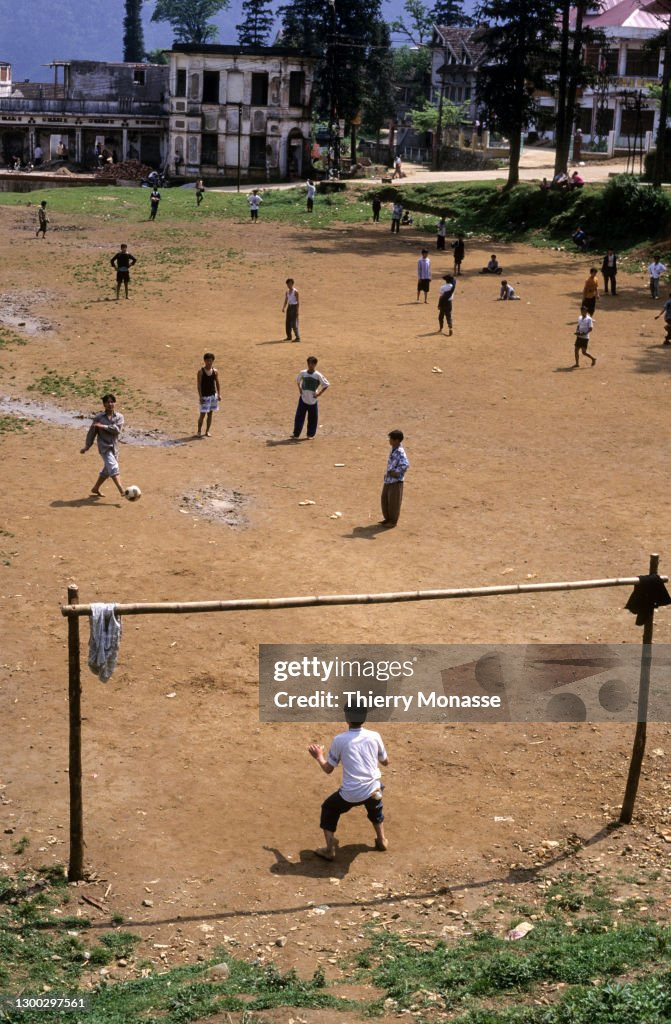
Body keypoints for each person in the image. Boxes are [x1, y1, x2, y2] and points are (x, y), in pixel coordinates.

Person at [308, 704, 389, 861]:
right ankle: (382, 840)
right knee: (375, 805)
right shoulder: (375, 736)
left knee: (329, 808)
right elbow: (385, 762)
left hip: (350, 794)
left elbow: (328, 769)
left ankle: (329, 849)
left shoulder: (340, 740)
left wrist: (318, 756)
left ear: (346, 718)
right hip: (373, 789)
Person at [80, 394, 126, 496]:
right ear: (104, 404)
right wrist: (87, 447)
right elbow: (92, 433)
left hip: (114, 447)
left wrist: (103, 426)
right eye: (107, 402)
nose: (110, 404)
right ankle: (122, 491)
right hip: (104, 447)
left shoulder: (119, 417)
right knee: (113, 467)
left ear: (114, 403)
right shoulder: (98, 418)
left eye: (111, 402)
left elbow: (116, 430)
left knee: (107, 469)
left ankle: (95, 488)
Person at [292, 356, 329, 440]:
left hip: (312, 401)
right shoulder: (303, 373)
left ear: (315, 364)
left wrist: (319, 394)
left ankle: (310, 434)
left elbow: (326, 384)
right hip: (303, 399)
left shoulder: (318, 375)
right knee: (299, 417)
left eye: (312, 364)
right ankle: (296, 434)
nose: (310, 365)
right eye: (309, 363)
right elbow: (298, 381)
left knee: (313, 418)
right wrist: (300, 390)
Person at [381, 429, 409, 527]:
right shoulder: (393, 449)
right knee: (385, 499)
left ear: (397, 440)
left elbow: (405, 464)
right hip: (388, 479)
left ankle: (393, 522)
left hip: (396, 481)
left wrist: (396, 473)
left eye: (391, 439)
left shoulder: (400, 452)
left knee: (394, 502)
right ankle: (387, 519)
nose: (389, 441)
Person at [197, 352, 221, 437]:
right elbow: (199, 385)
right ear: (204, 361)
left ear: (213, 361)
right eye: (207, 361)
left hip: (212, 396)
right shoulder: (201, 372)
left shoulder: (215, 371)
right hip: (205, 396)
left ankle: (207, 431)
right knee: (202, 414)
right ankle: (199, 431)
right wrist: (200, 397)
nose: (209, 363)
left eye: (210, 361)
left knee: (210, 414)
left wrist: (219, 394)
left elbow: (217, 383)